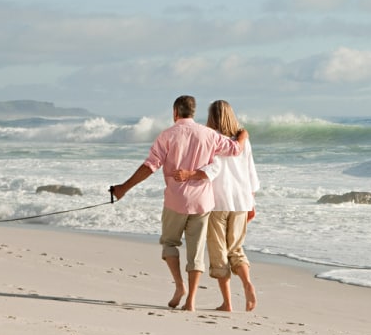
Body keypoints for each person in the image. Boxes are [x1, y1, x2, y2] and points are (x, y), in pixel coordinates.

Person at [110, 95, 247, 312]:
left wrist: (124, 188)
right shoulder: (209, 135)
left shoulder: (167, 135)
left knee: (170, 243)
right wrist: (243, 136)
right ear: (193, 112)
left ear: (175, 112)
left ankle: (179, 286)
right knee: (196, 252)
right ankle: (191, 301)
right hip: (202, 202)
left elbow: (150, 166)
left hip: (175, 201)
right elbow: (235, 149)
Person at [173, 98, 259, 312]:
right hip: (241, 201)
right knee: (236, 249)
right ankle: (247, 284)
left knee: (218, 253)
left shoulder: (211, 140)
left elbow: (209, 171)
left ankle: (228, 303)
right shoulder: (243, 141)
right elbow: (251, 173)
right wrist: (252, 202)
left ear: (211, 117)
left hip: (218, 202)